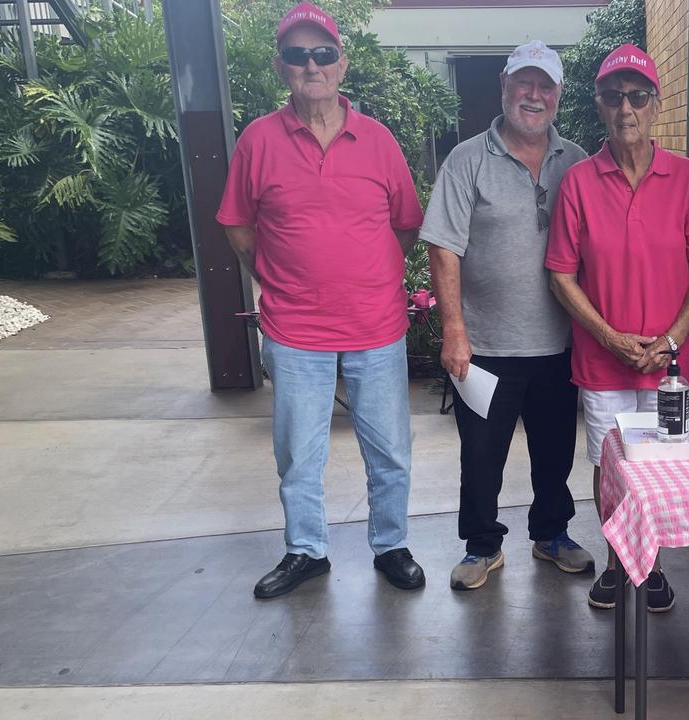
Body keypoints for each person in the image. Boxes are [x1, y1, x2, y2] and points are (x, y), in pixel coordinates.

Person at [216, 2, 425, 599]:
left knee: (389, 452)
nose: (312, 65)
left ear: (342, 63)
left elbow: (406, 224)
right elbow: (237, 225)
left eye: (323, 53)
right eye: (297, 54)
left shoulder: (379, 141)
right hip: (293, 330)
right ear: (282, 66)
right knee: (298, 456)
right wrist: (279, 275)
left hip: (376, 326)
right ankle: (306, 550)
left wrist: (366, 269)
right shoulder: (258, 140)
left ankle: (391, 545)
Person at [546, 44, 689, 612]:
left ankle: (653, 566)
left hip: (670, 366)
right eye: (614, 96)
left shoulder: (688, 178)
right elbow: (562, 276)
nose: (627, 108)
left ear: (655, 105)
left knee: (664, 467)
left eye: (638, 96)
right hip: (603, 363)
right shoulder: (577, 181)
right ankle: (622, 563)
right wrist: (611, 337)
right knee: (610, 467)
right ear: (599, 104)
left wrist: (669, 340)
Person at [421, 41, 594, 592]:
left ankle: (551, 534)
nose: (534, 95)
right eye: (525, 83)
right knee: (482, 455)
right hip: (486, 345)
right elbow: (443, 247)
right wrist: (454, 332)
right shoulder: (468, 159)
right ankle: (482, 545)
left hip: (561, 343)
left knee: (554, 452)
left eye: (545, 86)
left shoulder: (579, 162)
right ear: (504, 85)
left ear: (559, 95)